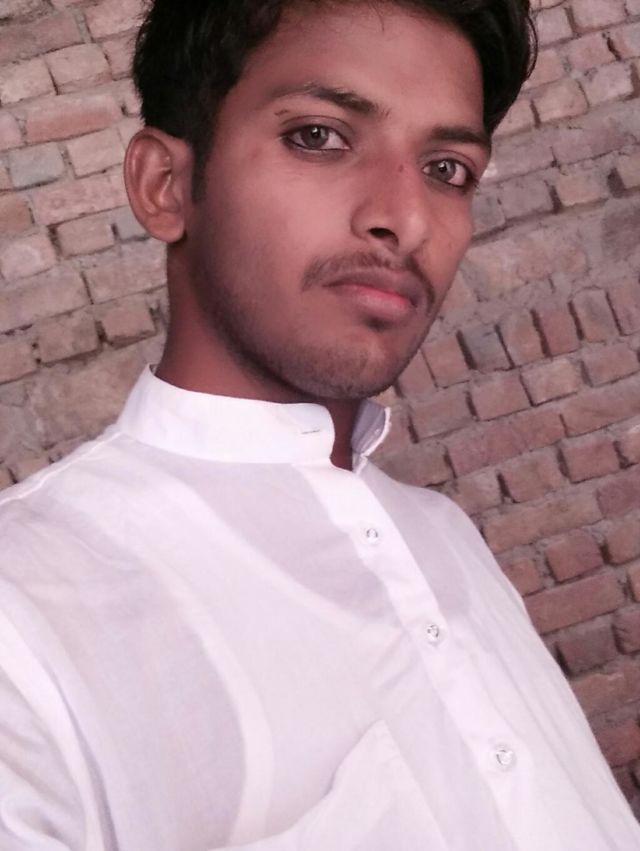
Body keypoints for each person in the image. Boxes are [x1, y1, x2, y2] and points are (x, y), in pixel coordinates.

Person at [1, 0, 638, 848]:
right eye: (318, 137)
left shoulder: (445, 537)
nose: (406, 218)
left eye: (447, 169)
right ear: (165, 186)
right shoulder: (26, 613)